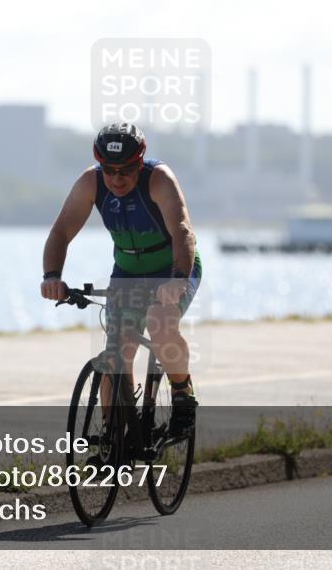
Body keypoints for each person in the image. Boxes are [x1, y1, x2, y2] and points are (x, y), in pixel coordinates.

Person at [40, 122, 202, 437]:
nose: (116, 178)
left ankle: (183, 394)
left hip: (174, 267)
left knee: (159, 322)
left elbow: (182, 229)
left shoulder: (159, 180)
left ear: (139, 163)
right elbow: (60, 232)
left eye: (126, 170)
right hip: (127, 273)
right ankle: (115, 438)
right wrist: (52, 276)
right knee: (117, 350)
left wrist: (179, 279)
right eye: (109, 170)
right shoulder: (91, 182)